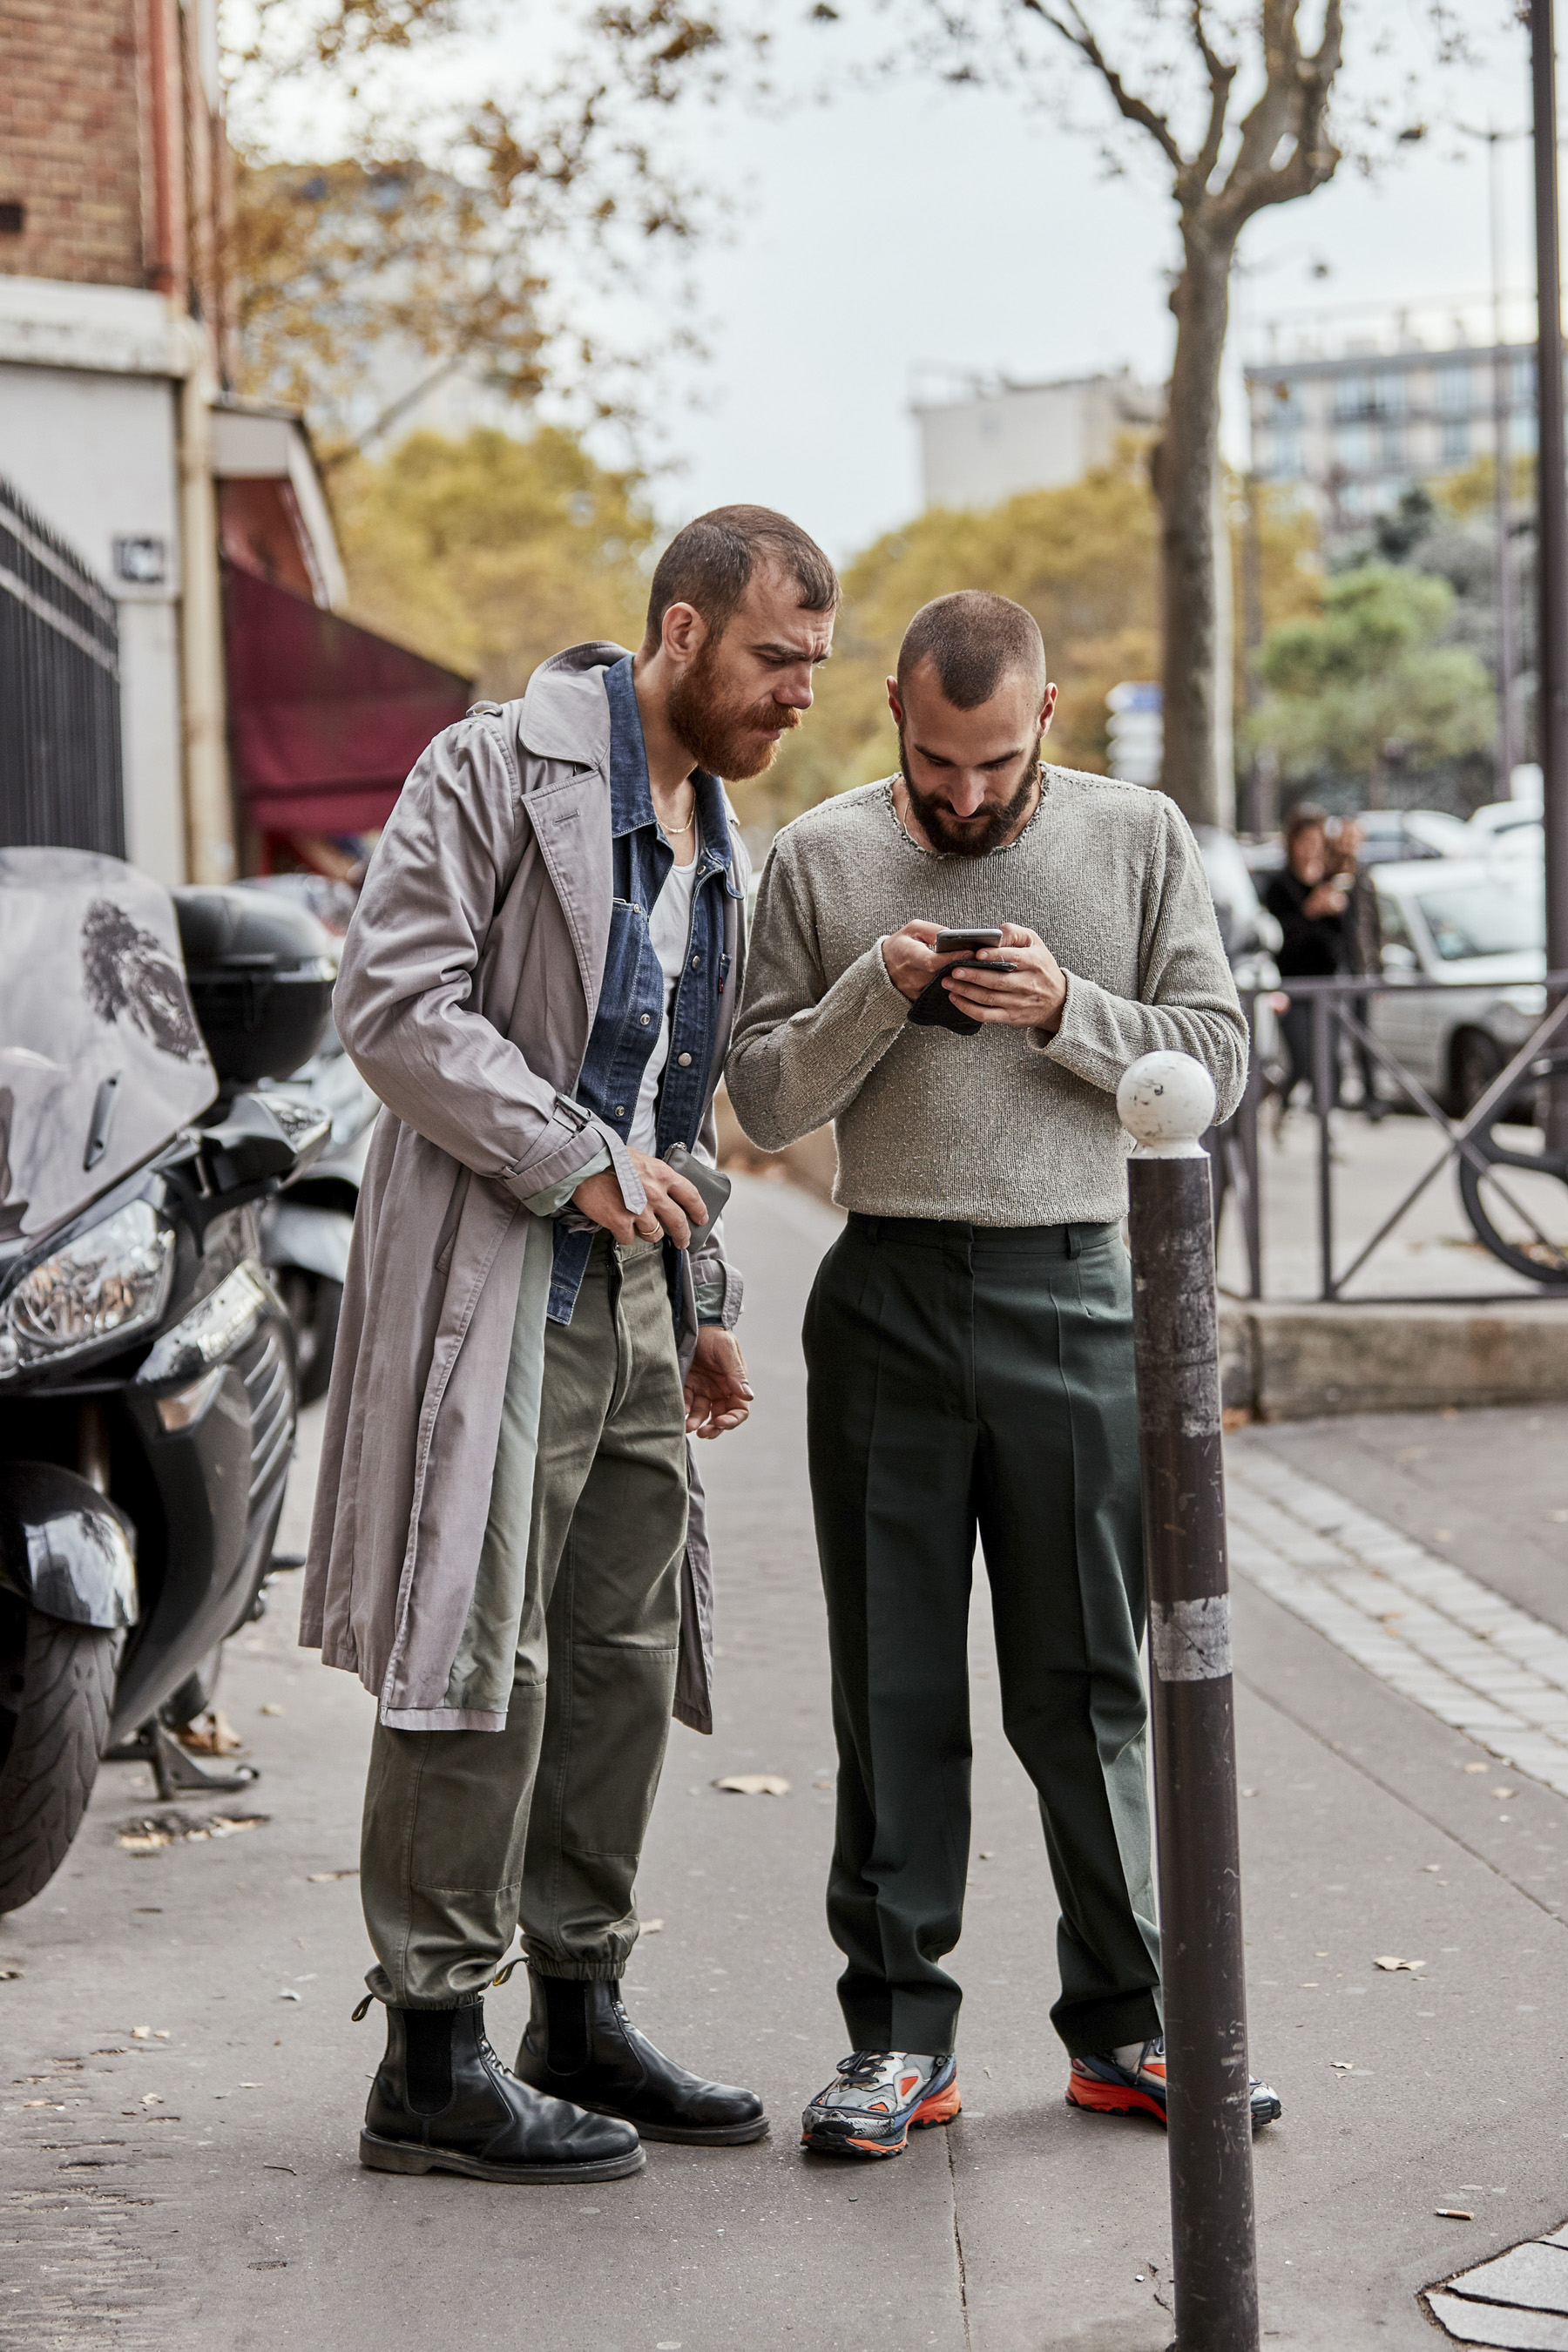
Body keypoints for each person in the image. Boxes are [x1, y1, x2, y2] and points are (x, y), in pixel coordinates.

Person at [301, 504, 839, 2185]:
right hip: (494, 1267)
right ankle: (433, 2054)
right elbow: (394, 1007)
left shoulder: (717, 836)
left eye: (818, 665)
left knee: (614, 1662)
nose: (798, 695)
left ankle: (577, 2010)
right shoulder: (483, 774)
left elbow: (673, 1100)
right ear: (681, 633)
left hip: (626, 1300)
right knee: (480, 1654)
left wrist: (704, 1309)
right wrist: (574, 1163)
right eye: (776, 658)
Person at [727, 590, 1281, 2159]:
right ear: (892, 706)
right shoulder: (824, 857)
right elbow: (760, 1097)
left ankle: (1129, 2027)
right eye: (934, 760)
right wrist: (872, 996)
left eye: (992, 761)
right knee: (892, 1684)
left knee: (1093, 1684)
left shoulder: (1138, 838)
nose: (964, 797)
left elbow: (1218, 1057)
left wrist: (1070, 1015)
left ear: (1048, 715)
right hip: (888, 1285)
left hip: (1080, 1286)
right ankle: (897, 2044)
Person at [1262, 802, 1349, 1127]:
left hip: (1329, 984)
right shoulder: (1280, 887)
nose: (1311, 849)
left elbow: (1342, 940)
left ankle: (1330, 1120)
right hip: (1295, 986)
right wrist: (1310, 911)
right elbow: (1280, 937)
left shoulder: (1331, 881)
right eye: (1305, 842)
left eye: (1317, 842)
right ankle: (1283, 1101)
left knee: (1333, 1059)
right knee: (1302, 1058)